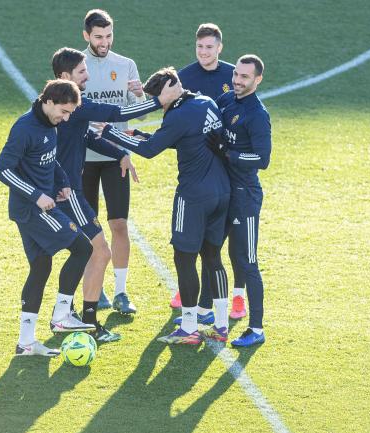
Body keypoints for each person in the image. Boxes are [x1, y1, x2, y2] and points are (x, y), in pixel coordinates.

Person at [51, 47, 181, 340]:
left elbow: (85, 137)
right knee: (98, 251)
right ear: (65, 76)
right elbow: (118, 112)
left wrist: (117, 152)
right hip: (66, 192)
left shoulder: (65, 107)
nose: (88, 76)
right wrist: (160, 101)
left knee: (79, 252)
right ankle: (83, 320)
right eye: (82, 72)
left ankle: (69, 314)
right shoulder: (75, 105)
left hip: (64, 190)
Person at [99, 67, 232, 344]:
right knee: (213, 258)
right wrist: (141, 134)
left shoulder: (179, 114)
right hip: (221, 192)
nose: (160, 106)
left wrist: (112, 133)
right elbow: (183, 139)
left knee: (184, 258)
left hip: (193, 197)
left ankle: (188, 327)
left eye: (159, 100)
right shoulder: (205, 102)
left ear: (168, 93)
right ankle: (221, 325)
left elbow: (150, 151)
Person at [0, 79, 95, 357]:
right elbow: (2, 170)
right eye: (63, 112)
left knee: (41, 266)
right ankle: (62, 315)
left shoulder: (50, 125)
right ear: (48, 101)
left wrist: (61, 181)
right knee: (83, 247)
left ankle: (26, 343)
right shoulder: (25, 128)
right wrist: (37, 195)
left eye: (70, 114)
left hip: (37, 206)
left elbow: (50, 159)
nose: (65, 119)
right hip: (32, 209)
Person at [171, 23, 246, 323]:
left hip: (230, 170)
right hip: (198, 170)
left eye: (210, 47)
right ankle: (191, 293)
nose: (204, 52)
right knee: (197, 237)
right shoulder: (184, 77)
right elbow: (172, 116)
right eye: (200, 47)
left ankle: (237, 296)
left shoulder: (234, 75)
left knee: (231, 240)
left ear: (220, 48)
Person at [81, 9, 145, 312]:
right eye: (98, 37)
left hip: (117, 157)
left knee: (119, 223)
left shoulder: (126, 65)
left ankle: (121, 292)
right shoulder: (76, 66)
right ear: (86, 36)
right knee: (88, 226)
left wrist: (139, 96)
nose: (104, 42)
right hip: (83, 158)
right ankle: (96, 290)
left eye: (108, 36)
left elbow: (140, 112)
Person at [207, 55, 272, 347]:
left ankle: (256, 329)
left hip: (245, 196)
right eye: (236, 74)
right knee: (210, 250)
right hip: (222, 192)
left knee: (247, 261)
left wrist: (229, 153)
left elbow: (262, 159)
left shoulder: (258, 115)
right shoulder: (226, 100)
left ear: (257, 80)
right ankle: (208, 310)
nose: (238, 80)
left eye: (245, 77)